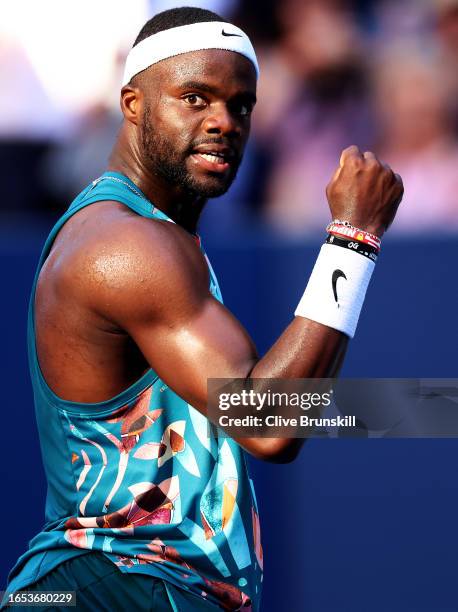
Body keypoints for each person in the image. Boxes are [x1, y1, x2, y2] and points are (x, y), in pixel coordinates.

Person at [1, 7, 403, 612]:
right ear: (133, 104)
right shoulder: (129, 245)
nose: (223, 122)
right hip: (107, 584)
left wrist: (430, 407)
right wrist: (353, 236)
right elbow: (269, 422)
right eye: (195, 98)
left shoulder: (152, 236)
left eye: (241, 105)